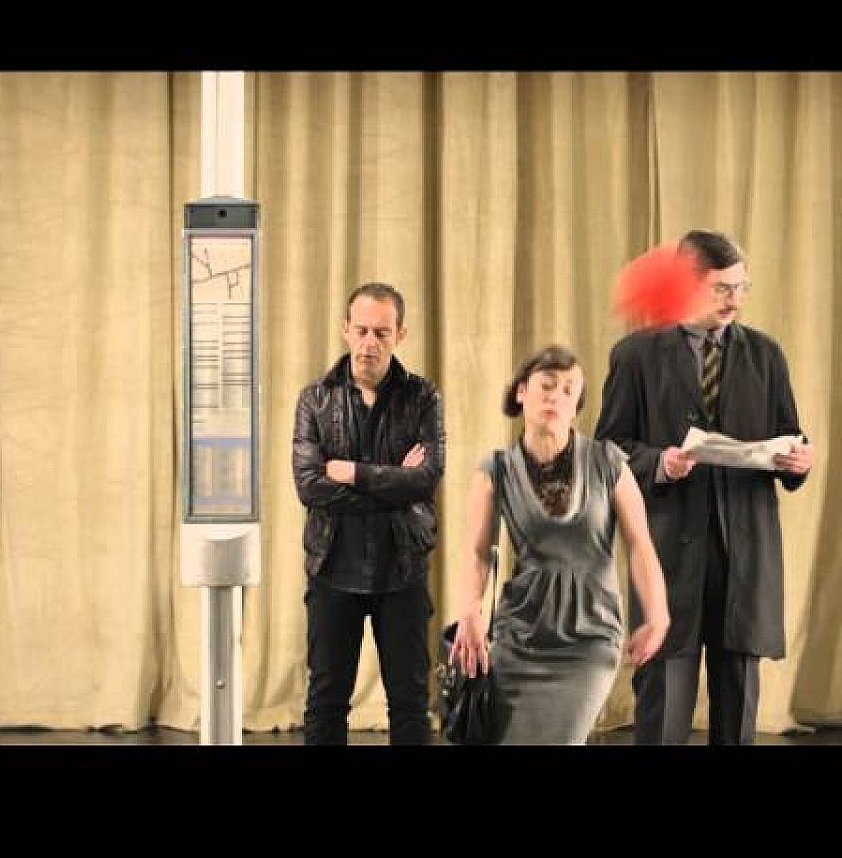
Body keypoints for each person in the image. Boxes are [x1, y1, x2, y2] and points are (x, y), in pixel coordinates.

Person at [594, 230, 814, 745]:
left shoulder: (766, 354)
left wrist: (798, 460)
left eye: (742, 286)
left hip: (746, 555)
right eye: (721, 288)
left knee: (737, 711)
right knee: (664, 708)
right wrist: (659, 463)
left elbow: (789, 436)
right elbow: (608, 449)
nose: (735, 299)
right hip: (669, 553)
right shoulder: (636, 355)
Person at [450, 345, 669, 744]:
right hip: (520, 634)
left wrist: (657, 614)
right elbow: (478, 553)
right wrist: (470, 611)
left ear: (577, 405)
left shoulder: (608, 462)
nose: (556, 396)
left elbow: (640, 544)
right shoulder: (495, 470)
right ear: (522, 392)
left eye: (569, 390)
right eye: (547, 385)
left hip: (591, 636)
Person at [292, 282, 445, 745]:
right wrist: (394, 481)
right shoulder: (315, 398)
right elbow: (310, 486)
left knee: (410, 705)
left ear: (401, 335)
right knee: (326, 702)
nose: (368, 343)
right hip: (332, 567)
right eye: (361, 331)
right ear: (345, 329)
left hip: (402, 567)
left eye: (381, 333)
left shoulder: (423, 397)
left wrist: (353, 473)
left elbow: (426, 479)